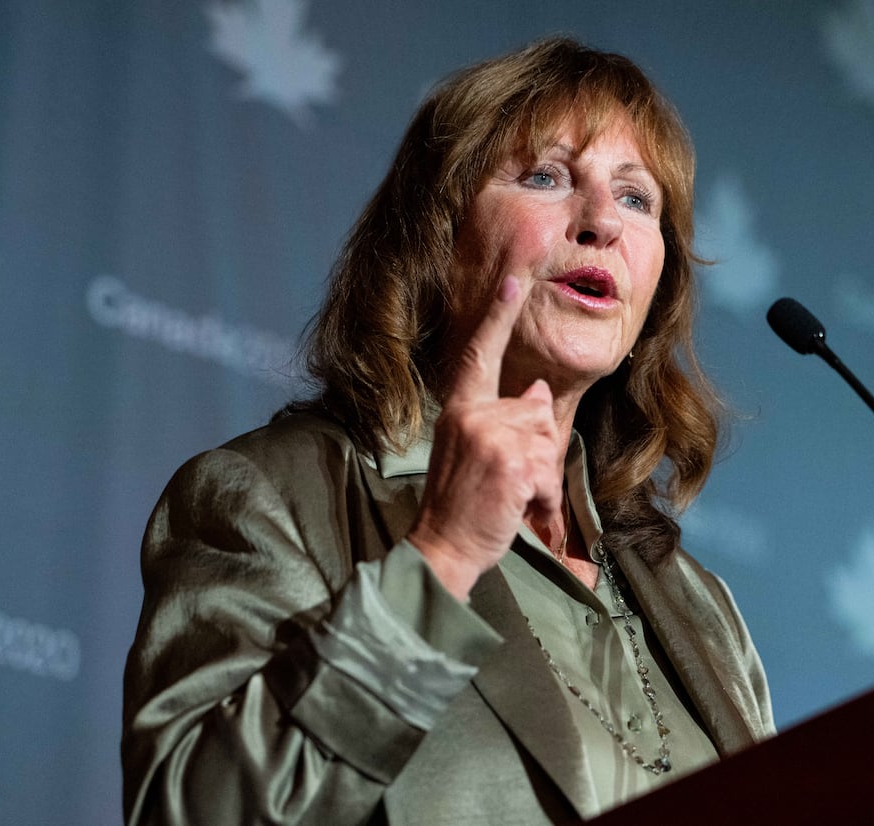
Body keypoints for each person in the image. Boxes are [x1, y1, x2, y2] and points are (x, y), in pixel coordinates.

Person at [122, 37, 774, 825]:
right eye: (546, 177)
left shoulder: (700, 606)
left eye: (637, 198)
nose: (602, 220)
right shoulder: (270, 498)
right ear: (436, 241)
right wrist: (445, 558)